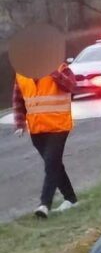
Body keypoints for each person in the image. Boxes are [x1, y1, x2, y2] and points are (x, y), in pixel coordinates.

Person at [12, 60, 78, 218]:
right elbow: (18, 99)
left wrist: (53, 73)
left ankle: (44, 205)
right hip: (37, 129)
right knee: (54, 164)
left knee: (51, 163)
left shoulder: (60, 67)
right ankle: (71, 199)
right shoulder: (21, 74)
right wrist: (20, 123)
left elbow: (72, 87)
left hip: (58, 126)